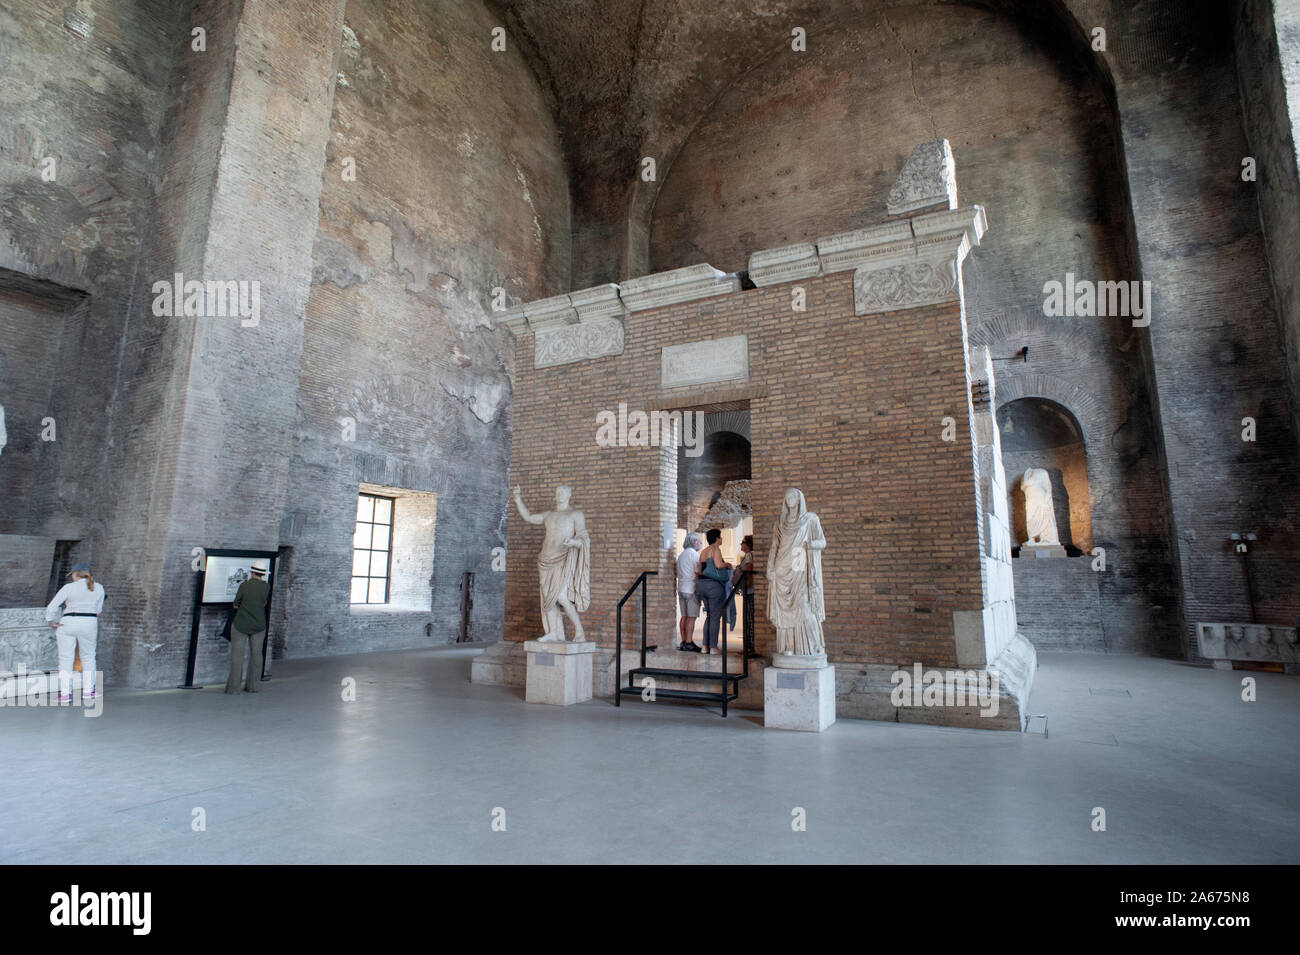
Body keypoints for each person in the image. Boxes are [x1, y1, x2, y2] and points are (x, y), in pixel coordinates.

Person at [514, 484, 590, 642]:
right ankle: (553, 633)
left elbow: (583, 536)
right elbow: (528, 517)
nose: (560, 495)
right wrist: (517, 499)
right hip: (545, 559)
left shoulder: (575, 514)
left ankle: (580, 631)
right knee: (548, 597)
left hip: (561, 558)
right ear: (555, 496)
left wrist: (573, 542)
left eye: (563, 492)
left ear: (569, 494)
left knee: (561, 596)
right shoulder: (548, 515)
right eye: (558, 492)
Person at [768, 488, 827, 657]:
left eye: (793, 496)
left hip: (799, 558)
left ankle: (813, 645)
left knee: (803, 604)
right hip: (781, 564)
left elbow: (822, 541)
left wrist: (811, 544)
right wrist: (770, 569)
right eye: (786, 497)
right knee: (784, 607)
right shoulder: (781, 521)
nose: (789, 499)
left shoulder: (810, 519)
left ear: (800, 499)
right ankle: (789, 646)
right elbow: (774, 546)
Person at [46, 562, 105, 704]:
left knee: (66, 658)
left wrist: (51, 620)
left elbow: (52, 606)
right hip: (89, 622)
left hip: (68, 622)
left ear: (75, 574)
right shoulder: (98, 588)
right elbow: (98, 610)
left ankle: (66, 694)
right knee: (89, 656)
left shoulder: (69, 587)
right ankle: (88, 691)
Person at [227, 559, 271, 694]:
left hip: (241, 624)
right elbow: (264, 603)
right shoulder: (266, 587)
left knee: (237, 657)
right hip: (259, 625)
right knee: (257, 656)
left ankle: (234, 689)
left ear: (252, 572)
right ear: (263, 574)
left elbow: (235, 603)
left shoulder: (245, 586)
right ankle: (253, 687)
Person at [695, 528, 732, 655]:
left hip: (702, 585)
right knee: (715, 616)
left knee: (709, 616)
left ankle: (705, 646)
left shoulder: (703, 551)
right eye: (720, 537)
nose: (721, 539)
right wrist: (727, 564)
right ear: (716, 538)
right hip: (713, 586)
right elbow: (718, 565)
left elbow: (699, 571)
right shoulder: (715, 549)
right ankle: (713, 647)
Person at [676, 533, 703, 651]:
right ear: (693, 542)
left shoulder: (681, 555)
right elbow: (698, 572)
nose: (700, 543)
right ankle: (689, 642)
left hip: (681, 587)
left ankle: (683, 641)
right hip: (691, 588)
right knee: (691, 617)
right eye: (698, 541)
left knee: (684, 616)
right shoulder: (694, 554)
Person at [732, 535, 756, 656]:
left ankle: (750, 647)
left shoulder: (748, 555)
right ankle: (750, 646)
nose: (741, 544)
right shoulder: (751, 554)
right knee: (749, 618)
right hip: (751, 590)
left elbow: (749, 571)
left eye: (743, 542)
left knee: (749, 619)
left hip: (750, 591)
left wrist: (747, 585)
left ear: (748, 544)